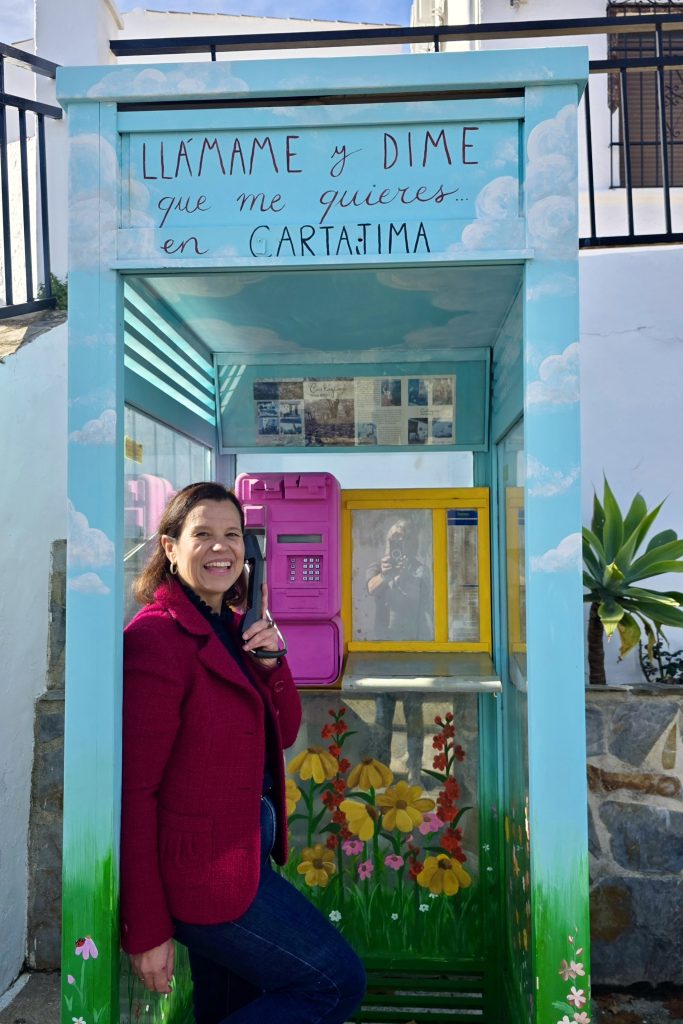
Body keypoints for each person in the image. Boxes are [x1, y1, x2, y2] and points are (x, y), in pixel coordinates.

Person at [120, 481, 365, 1024]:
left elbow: (285, 730)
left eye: (233, 535)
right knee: (334, 982)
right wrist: (147, 928)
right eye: (202, 534)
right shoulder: (156, 640)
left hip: (243, 856)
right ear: (170, 548)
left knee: (233, 1006)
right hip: (201, 876)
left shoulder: (234, 628)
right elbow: (135, 793)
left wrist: (272, 663)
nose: (221, 548)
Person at [365, 519, 432, 785]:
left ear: (412, 543)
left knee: (414, 711)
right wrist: (386, 575)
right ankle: (382, 772)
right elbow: (370, 589)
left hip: (413, 649)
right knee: (383, 714)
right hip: (383, 651)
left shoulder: (420, 570)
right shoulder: (379, 566)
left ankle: (414, 770)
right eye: (394, 540)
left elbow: (428, 603)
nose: (398, 545)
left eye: (403, 540)